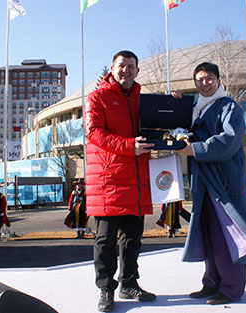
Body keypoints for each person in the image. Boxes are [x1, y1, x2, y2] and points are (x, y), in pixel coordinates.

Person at [175, 62, 246, 305]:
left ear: (219, 81)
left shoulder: (228, 107)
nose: (204, 83)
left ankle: (231, 288)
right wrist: (177, 102)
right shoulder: (197, 108)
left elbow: (229, 141)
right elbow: (180, 125)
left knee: (229, 234)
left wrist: (195, 149)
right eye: (199, 79)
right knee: (209, 233)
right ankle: (211, 283)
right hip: (204, 181)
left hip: (225, 181)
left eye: (209, 78)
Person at [84, 50, 156, 312]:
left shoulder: (143, 101)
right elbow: (94, 133)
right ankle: (106, 289)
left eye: (131, 66)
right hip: (108, 180)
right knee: (105, 239)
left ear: (137, 71)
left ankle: (128, 283)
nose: (126, 70)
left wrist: (174, 105)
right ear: (112, 69)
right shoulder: (97, 97)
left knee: (133, 238)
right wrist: (128, 146)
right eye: (121, 66)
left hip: (136, 180)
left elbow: (160, 126)